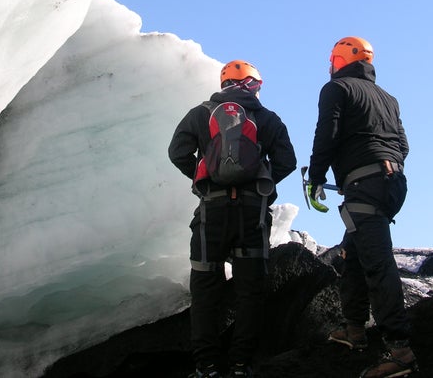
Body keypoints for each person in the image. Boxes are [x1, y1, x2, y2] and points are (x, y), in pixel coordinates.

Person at [169, 60, 297, 378]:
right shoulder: (267, 119)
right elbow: (287, 162)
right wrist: (260, 182)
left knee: (204, 289)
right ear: (253, 84)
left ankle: (207, 367)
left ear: (223, 84)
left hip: (211, 213)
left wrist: (204, 176)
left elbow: (177, 152)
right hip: (252, 217)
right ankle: (241, 365)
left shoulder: (200, 113)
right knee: (250, 292)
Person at [306, 37, 417, 378]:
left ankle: (401, 352)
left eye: (331, 59)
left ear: (339, 60)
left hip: (364, 185)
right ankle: (354, 329)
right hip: (393, 183)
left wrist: (316, 177)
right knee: (352, 254)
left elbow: (327, 133)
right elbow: (403, 145)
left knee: (377, 265)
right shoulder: (388, 97)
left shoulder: (337, 88)